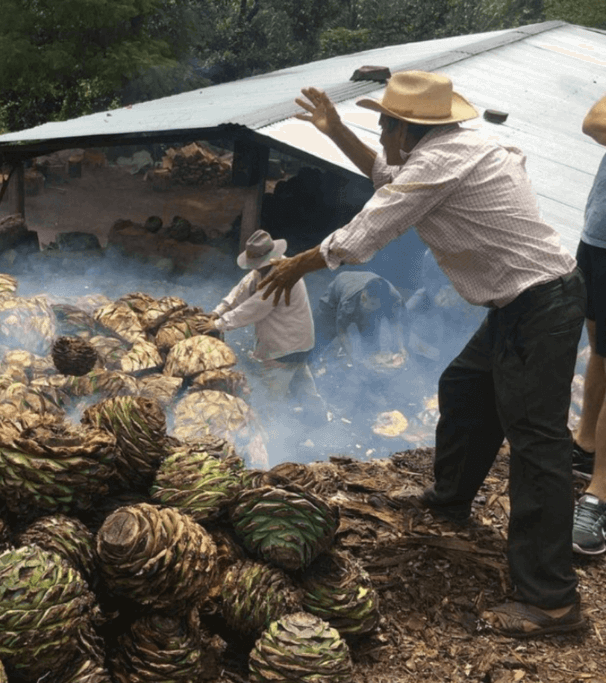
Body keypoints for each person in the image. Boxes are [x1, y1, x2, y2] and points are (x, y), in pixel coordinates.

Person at [258, 71, 585, 637]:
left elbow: (362, 235)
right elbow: (390, 178)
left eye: (383, 123)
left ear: (407, 129)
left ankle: (551, 602)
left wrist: (295, 265)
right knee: (464, 388)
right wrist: (335, 130)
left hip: (540, 305)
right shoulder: (458, 146)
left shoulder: (440, 162)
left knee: (538, 449)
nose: (381, 132)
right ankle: (450, 497)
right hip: (521, 302)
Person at [198, 229, 322, 416]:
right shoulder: (264, 270)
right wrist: (218, 310)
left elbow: (254, 307)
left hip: (285, 346)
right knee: (301, 381)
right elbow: (241, 290)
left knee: (271, 397)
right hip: (298, 342)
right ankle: (318, 417)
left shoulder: (283, 275)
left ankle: (268, 435)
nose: (255, 268)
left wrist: (219, 324)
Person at [571, 93, 606, 556]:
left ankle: (600, 492)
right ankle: (584, 443)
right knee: (599, 349)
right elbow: (594, 120)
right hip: (599, 236)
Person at [312, 270, 406, 370]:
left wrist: (401, 347)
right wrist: (352, 357)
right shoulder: (348, 301)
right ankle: (305, 362)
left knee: (371, 342)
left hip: (363, 291)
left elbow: (395, 323)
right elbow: (341, 330)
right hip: (338, 292)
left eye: (373, 304)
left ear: (383, 304)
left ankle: (371, 371)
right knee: (321, 332)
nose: (365, 305)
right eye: (364, 299)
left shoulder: (394, 300)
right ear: (363, 294)